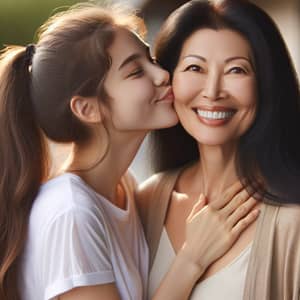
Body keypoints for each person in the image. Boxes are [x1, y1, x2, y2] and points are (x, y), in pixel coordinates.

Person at [0, 3, 259, 300]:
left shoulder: (124, 189)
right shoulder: (71, 212)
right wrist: (191, 260)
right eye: (136, 71)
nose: (162, 74)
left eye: (150, 59)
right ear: (88, 108)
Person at [137, 0, 300, 299]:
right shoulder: (146, 201)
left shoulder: (292, 219)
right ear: (167, 79)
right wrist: (190, 262)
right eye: (194, 67)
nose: (212, 91)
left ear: (266, 84)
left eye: (236, 70)